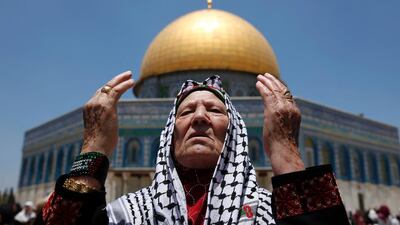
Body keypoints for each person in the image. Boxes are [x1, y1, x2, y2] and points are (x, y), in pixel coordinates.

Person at [37, 72, 350, 225]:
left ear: (236, 134)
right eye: (186, 112)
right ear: (169, 134)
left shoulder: (270, 213)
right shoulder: (128, 215)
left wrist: (285, 149)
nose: (200, 117)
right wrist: (94, 144)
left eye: (214, 110)